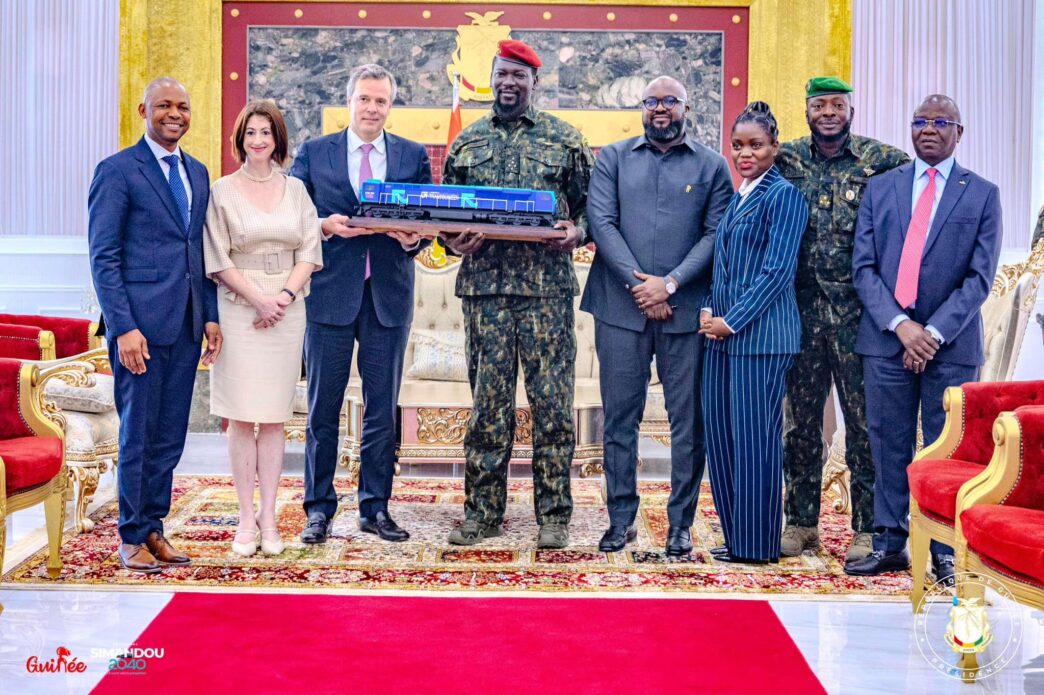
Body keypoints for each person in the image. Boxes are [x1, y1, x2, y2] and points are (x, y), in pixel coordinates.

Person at [440, 39, 594, 549]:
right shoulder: (466, 142)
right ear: (492, 77)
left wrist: (577, 232)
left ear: (534, 82)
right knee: (488, 409)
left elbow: (593, 210)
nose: (509, 83)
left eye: (519, 76)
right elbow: (445, 214)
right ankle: (482, 513)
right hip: (485, 293)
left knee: (552, 407)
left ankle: (554, 515)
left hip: (546, 295)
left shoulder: (565, 139)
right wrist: (452, 241)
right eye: (502, 74)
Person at [847, 95, 1002, 583]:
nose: (928, 129)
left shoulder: (982, 194)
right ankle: (890, 542)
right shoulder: (881, 188)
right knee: (886, 442)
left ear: (960, 132)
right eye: (920, 121)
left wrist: (931, 332)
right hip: (885, 340)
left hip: (950, 346)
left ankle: (945, 550)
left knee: (946, 449)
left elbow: (980, 278)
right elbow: (863, 268)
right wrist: (901, 325)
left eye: (940, 122)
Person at [582, 76, 733, 555]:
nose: (661, 108)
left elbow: (716, 234)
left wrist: (669, 285)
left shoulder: (712, 166)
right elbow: (602, 224)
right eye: (652, 101)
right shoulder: (612, 158)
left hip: (684, 312)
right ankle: (620, 518)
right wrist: (643, 288)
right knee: (619, 420)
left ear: (687, 107)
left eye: (670, 101)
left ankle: (680, 525)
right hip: (619, 308)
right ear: (642, 108)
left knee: (688, 423)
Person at [289, 64, 432, 545]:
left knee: (381, 410)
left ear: (391, 105)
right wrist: (323, 226)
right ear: (349, 100)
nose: (372, 108)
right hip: (329, 296)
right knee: (322, 410)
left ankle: (375, 508)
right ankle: (318, 510)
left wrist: (414, 239)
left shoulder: (412, 155)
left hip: (388, 298)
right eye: (364, 99)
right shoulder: (314, 153)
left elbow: (426, 224)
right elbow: (292, 216)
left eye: (381, 101)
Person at [88, 77, 223, 573]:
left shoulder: (198, 172)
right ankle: (130, 535)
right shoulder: (117, 171)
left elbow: (198, 251)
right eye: (164, 105)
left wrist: (210, 316)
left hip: (185, 326)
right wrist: (122, 327)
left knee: (168, 438)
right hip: (138, 332)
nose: (175, 114)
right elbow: (104, 257)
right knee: (138, 436)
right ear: (144, 110)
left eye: (182, 106)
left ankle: (153, 528)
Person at [775, 77, 910, 562]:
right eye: (819, 105)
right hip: (801, 313)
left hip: (861, 316)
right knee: (799, 424)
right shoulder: (786, 159)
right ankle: (801, 523)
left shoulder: (885, 161)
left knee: (864, 425)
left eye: (837, 105)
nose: (828, 112)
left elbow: (912, 219)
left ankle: (868, 529)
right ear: (807, 111)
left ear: (851, 111)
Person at [203, 100, 322, 557]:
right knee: (240, 417)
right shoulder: (221, 191)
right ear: (240, 139)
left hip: (288, 312)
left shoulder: (296, 190)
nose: (258, 140)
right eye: (250, 132)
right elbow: (217, 257)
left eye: (266, 133)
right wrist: (257, 299)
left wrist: (283, 298)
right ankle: (244, 519)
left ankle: (269, 518)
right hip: (239, 310)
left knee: (273, 418)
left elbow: (309, 251)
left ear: (278, 140)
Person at [699, 102, 808, 564]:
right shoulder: (740, 195)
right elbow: (726, 267)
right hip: (721, 336)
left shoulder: (784, 196)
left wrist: (731, 320)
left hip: (761, 339)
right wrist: (710, 311)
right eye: (738, 145)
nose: (745, 154)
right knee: (723, 438)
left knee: (755, 443)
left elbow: (777, 271)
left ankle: (758, 545)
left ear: (774, 147)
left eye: (756, 145)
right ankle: (737, 538)